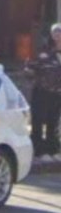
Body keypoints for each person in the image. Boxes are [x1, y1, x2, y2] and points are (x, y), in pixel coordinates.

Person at [25, 24, 61, 159]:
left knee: (53, 122)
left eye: (60, 32)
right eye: (55, 33)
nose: (58, 36)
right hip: (42, 91)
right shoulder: (43, 51)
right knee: (38, 122)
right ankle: (39, 151)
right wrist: (31, 73)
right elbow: (29, 68)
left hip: (57, 93)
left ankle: (53, 149)